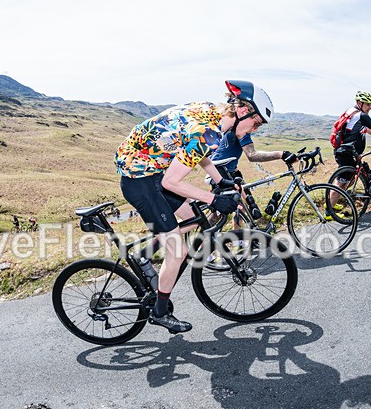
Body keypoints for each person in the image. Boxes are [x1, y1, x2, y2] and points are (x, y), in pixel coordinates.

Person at [115, 79, 274, 333]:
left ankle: (144, 254)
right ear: (244, 111)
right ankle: (159, 312)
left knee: (192, 215)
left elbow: (198, 152)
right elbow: (172, 182)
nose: (254, 130)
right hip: (140, 181)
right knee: (177, 249)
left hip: (150, 171)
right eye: (256, 124)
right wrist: (214, 198)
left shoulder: (214, 112)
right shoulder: (209, 131)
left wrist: (222, 180)